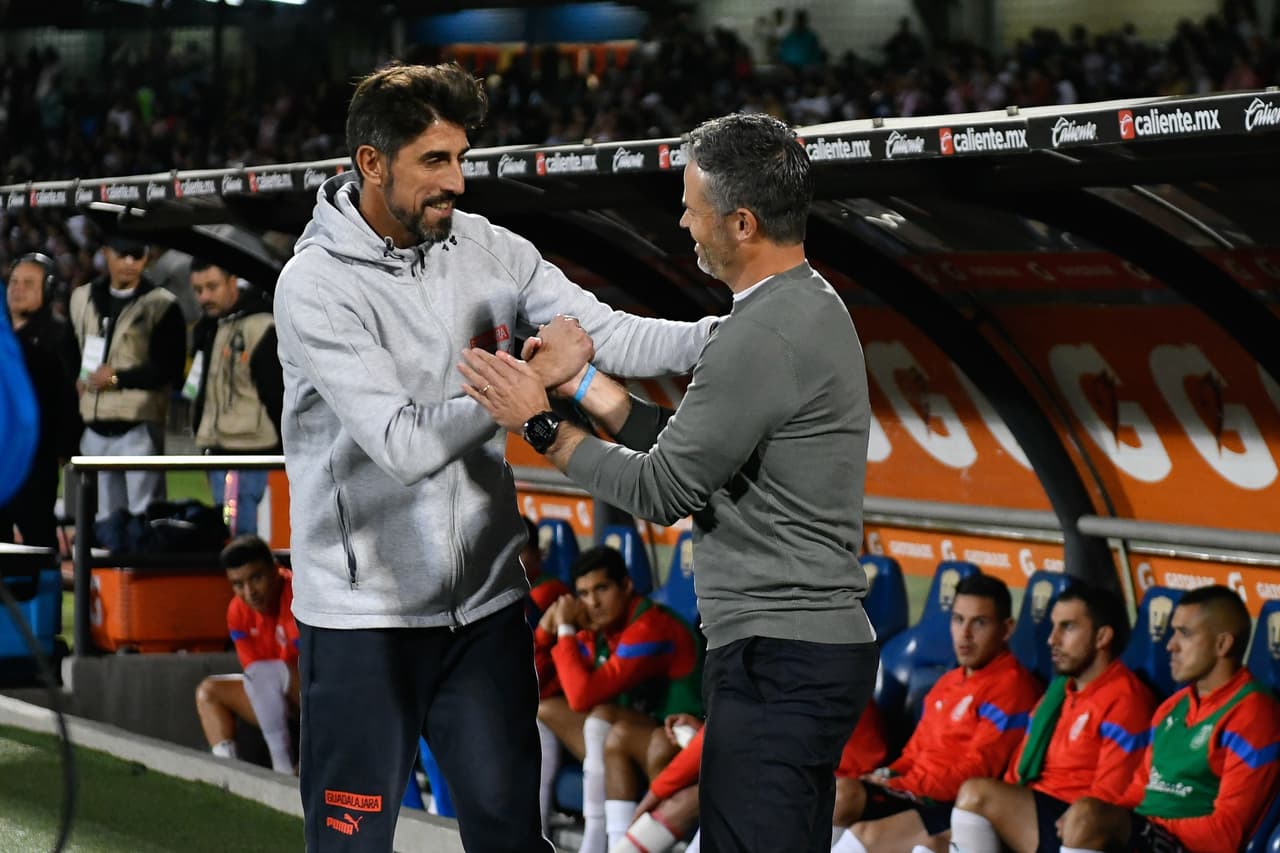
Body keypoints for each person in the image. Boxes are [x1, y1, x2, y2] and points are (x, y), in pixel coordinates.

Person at [272, 61, 715, 853]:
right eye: (435, 162)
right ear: (372, 163)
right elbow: (405, 444)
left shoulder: (485, 247)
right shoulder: (314, 285)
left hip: (482, 612)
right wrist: (533, 380)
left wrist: (734, 333)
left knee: (512, 835)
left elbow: (604, 329)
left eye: (463, 156)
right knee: (349, 845)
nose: (460, 183)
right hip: (362, 622)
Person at [461, 112, 879, 853]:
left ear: (742, 222)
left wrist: (539, 424)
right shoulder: (796, 309)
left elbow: (663, 490)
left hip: (780, 656)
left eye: (691, 203)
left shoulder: (762, 335)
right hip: (796, 654)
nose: (682, 219)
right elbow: (691, 453)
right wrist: (582, 383)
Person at [824, 574, 1042, 853]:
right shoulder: (947, 683)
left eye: (980, 623)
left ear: (1007, 629)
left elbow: (979, 768)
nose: (965, 634)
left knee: (861, 823)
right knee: (837, 797)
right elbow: (915, 752)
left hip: (946, 802)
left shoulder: (1012, 687)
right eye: (958, 620)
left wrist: (903, 784)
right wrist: (887, 774)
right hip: (913, 791)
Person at [1056, 585, 1280, 853]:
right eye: (1173, 631)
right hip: (1148, 833)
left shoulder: (1253, 713)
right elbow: (1140, 789)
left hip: (1186, 846)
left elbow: (1225, 835)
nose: (1170, 644)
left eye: (1184, 634)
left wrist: (1127, 824)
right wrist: (1103, 816)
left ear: (1223, 644)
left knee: (1088, 818)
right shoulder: (1171, 708)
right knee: (1083, 815)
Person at [949, 583, 1157, 853]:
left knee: (976, 795)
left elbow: (1111, 795)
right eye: (1053, 626)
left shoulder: (1126, 699)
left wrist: (1074, 824)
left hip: (1074, 823)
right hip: (1038, 807)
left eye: (1067, 627)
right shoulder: (1059, 692)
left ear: (1102, 636)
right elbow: (1018, 770)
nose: (1052, 639)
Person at [535, 545, 701, 853]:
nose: (593, 602)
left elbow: (583, 696)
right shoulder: (597, 628)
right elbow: (538, 688)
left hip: (684, 738)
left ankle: (597, 842)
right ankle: (542, 830)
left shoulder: (650, 626)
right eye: (583, 594)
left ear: (626, 586)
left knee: (605, 720)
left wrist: (567, 629)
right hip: (638, 735)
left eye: (602, 589)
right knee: (544, 709)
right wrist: (546, 631)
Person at [69, 234, 185, 520]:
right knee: (104, 518)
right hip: (93, 424)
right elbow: (69, 349)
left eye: (137, 255)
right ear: (106, 253)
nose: (130, 263)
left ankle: (143, 566)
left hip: (138, 425)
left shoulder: (162, 304)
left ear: (147, 257)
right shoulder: (82, 298)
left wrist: (118, 377)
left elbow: (169, 368)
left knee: (144, 515)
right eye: (123, 255)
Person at [188, 258, 283, 535]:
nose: (204, 297)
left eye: (212, 287)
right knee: (231, 543)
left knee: (248, 545)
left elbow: (276, 398)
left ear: (233, 282)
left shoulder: (262, 326)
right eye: (198, 290)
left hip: (252, 456)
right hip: (217, 453)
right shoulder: (210, 328)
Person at [195, 534, 299, 774]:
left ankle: (282, 768)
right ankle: (229, 776)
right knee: (208, 691)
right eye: (238, 584)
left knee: (269, 674)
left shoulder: (298, 596)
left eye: (256, 578)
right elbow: (254, 671)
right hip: (276, 698)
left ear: (275, 570)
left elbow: (317, 669)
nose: (249, 591)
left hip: (313, 696)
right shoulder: (237, 612)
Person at [0, 253, 80, 547]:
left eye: (28, 283)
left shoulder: (58, 337)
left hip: (36, 460)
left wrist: (64, 449)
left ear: (47, 290)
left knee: (37, 537)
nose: (17, 289)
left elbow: (67, 401)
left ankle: (43, 592)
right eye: (14, 282)